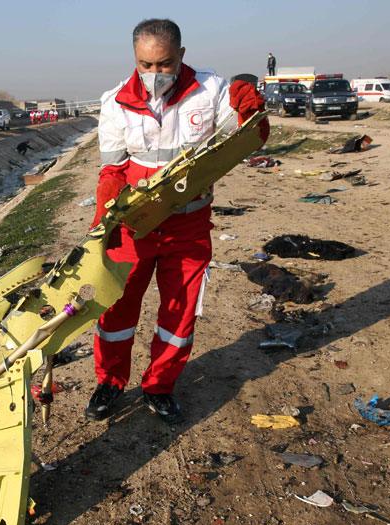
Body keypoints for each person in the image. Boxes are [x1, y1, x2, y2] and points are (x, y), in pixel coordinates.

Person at [86, 18, 268, 424]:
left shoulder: (211, 91)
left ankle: (160, 386)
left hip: (187, 228)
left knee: (179, 313)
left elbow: (249, 135)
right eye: (145, 65)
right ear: (134, 59)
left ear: (181, 56)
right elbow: (113, 170)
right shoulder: (115, 102)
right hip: (134, 227)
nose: (154, 74)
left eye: (164, 64)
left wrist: (250, 108)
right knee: (115, 308)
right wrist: (104, 221)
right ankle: (111, 382)